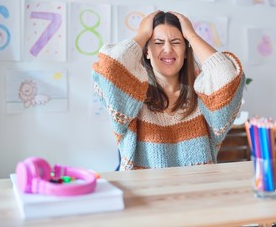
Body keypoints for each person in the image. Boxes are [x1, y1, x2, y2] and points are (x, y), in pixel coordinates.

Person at [92, 10, 245, 171]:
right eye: (158, 43)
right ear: (147, 51)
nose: (167, 49)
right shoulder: (131, 99)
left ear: (185, 51)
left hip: (198, 193)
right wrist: (143, 33)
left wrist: (191, 35)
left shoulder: (204, 100)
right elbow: (109, 68)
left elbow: (227, 75)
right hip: (145, 194)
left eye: (176, 42)